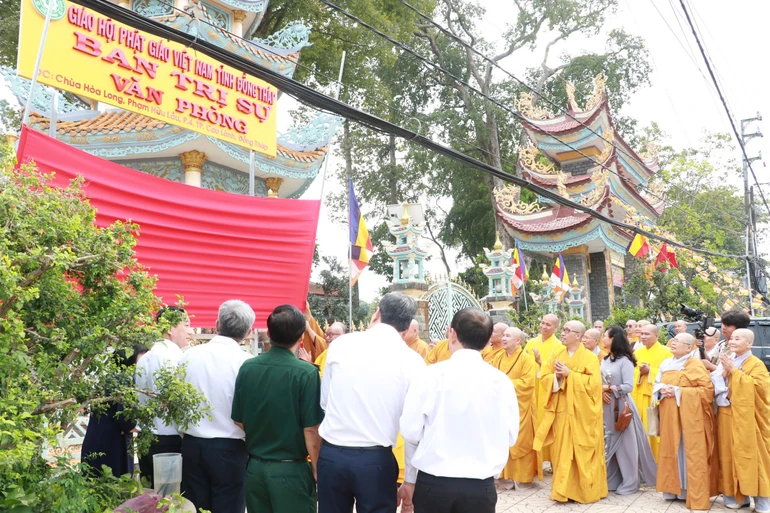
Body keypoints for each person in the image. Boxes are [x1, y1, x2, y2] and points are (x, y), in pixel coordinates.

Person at [399, 308, 519, 513]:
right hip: (480, 487)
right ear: (487, 340)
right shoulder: (501, 382)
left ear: (452, 333)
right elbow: (510, 436)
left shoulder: (430, 376)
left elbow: (410, 432)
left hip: (434, 484)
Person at [318, 292, 426, 513]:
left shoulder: (341, 345)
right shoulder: (413, 361)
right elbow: (413, 429)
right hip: (375, 460)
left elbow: (325, 402)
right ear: (407, 328)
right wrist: (410, 480)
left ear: (377, 313)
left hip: (332, 455)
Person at [232, 305, 324, 513]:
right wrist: (317, 468)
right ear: (300, 337)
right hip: (291, 470)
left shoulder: (248, 367)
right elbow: (311, 429)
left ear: (269, 333)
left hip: (255, 467)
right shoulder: (306, 373)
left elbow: (238, 419)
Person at [179, 300, 255, 513]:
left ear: (216, 325)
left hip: (192, 444)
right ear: (248, 332)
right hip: (230, 448)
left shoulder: (189, 355)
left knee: (195, 506)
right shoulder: (247, 363)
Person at [533, 321, 607, 504]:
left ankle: (583, 491)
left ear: (578, 336)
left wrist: (570, 375)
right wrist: (557, 377)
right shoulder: (557, 354)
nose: (563, 333)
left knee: (581, 451)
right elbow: (545, 377)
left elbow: (594, 386)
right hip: (561, 412)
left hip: (582, 414)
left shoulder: (589, 358)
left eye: (567, 330)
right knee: (562, 451)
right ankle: (562, 490)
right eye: (563, 330)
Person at [653, 333, 716, 511]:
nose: (673, 343)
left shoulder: (695, 364)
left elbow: (707, 391)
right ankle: (671, 489)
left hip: (689, 417)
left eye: (678, 341)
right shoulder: (666, 363)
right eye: (673, 340)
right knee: (669, 448)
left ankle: (688, 490)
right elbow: (656, 382)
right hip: (668, 414)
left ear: (689, 347)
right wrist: (661, 389)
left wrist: (678, 391)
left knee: (688, 451)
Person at [711, 328, 770, 512]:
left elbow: (760, 389)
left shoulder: (756, 364)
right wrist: (722, 374)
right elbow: (715, 382)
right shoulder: (728, 360)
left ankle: (762, 501)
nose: (732, 341)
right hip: (727, 414)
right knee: (728, 454)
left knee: (753, 455)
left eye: (737, 339)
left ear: (749, 343)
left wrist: (733, 372)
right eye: (731, 339)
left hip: (748, 418)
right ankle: (736, 496)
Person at [135, 306, 193, 485]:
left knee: (150, 493)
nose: (190, 331)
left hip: (146, 436)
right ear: (170, 329)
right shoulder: (174, 357)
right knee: (170, 496)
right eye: (186, 325)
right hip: (169, 440)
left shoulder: (145, 357)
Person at [601, 326, 656, 495]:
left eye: (605, 336)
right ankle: (612, 480)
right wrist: (601, 391)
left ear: (613, 339)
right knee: (608, 441)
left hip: (621, 406)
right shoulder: (604, 359)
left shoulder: (625, 361)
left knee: (625, 445)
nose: (602, 339)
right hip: (606, 405)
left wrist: (608, 388)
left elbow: (628, 386)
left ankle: (630, 482)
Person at [82, 344, 148, 478]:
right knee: (117, 485)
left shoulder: (107, 378)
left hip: (95, 441)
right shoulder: (126, 379)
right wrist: (138, 427)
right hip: (113, 445)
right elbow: (125, 420)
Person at [491, 327, 539, 489]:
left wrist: (504, 384)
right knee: (502, 439)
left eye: (508, 336)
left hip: (520, 408)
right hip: (501, 407)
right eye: (503, 335)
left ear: (518, 341)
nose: (503, 338)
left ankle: (522, 479)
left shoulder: (526, 359)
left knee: (520, 441)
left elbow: (528, 384)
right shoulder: (497, 357)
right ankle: (503, 477)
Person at [524, 313, 562, 469]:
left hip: (547, 391)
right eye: (542, 323)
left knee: (547, 424)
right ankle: (534, 461)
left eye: (548, 324)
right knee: (533, 423)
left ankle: (551, 459)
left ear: (556, 328)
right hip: (532, 388)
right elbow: (524, 363)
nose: (544, 326)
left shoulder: (559, 346)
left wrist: (541, 362)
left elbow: (558, 371)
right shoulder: (531, 343)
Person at [631, 323, 672, 461]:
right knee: (640, 431)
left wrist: (650, 371)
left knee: (654, 431)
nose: (643, 336)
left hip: (655, 399)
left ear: (656, 335)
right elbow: (631, 372)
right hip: (638, 396)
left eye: (647, 334)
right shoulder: (637, 353)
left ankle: (658, 462)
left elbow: (669, 374)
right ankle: (642, 464)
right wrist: (640, 372)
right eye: (642, 334)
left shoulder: (666, 352)